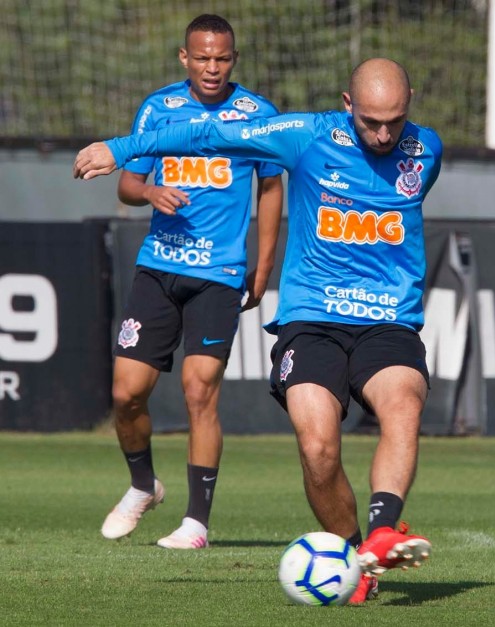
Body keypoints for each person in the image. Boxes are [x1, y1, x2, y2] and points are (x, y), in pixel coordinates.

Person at [74, 57, 440, 604]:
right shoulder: (304, 136)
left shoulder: (426, 150)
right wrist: (120, 149)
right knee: (318, 447)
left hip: (387, 320)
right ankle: (356, 554)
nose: (384, 134)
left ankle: (385, 527)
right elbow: (208, 130)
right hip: (311, 319)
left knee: (402, 404)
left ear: (409, 103)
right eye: (370, 122)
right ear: (346, 105)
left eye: (394, 120)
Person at [98, 14, 284, 550]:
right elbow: (129, 185)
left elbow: (271, 189)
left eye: (222, 59)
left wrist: (263, 266)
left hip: (219, 276)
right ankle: (142, 487)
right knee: (126, 394)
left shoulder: (256, 116)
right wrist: (151, 194)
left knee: (200, 390)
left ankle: (196, 523)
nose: (212, 68)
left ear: (234, 59)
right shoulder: (158, 108)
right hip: (159, 268)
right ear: (185, 58)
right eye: (202, 58)